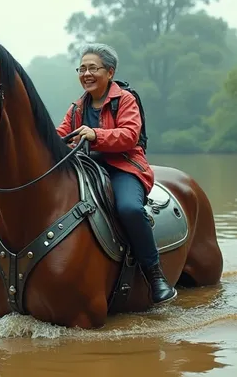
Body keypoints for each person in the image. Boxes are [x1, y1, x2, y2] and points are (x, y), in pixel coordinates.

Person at [55, 43, 177, 306]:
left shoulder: (126, 100)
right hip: (87, 169)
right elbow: (61, 134)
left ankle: (154, 274)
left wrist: (95, 134)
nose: (86, 74)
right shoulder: (77, 108)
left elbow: (130, 135)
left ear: (109, 72)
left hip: (124, 167)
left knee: (130, 209)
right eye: (82, 68)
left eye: (92, 68)